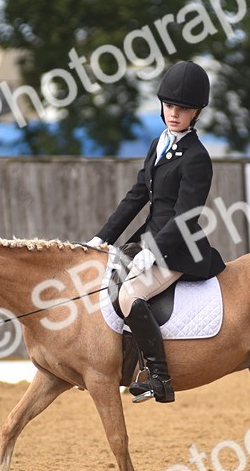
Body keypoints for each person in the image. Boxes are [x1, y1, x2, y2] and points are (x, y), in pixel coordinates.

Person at [87, 60, 227, 403]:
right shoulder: (158, 144)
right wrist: (101, 237)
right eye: (169, 106)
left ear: (196, 113)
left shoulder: (196, 157)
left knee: (131, 296)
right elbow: (137, 195)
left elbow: (186, 215)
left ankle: (159, 378)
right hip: (147, 238)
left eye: (183, 109)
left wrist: (152, 252)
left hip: (179, 247)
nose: (174, 113)